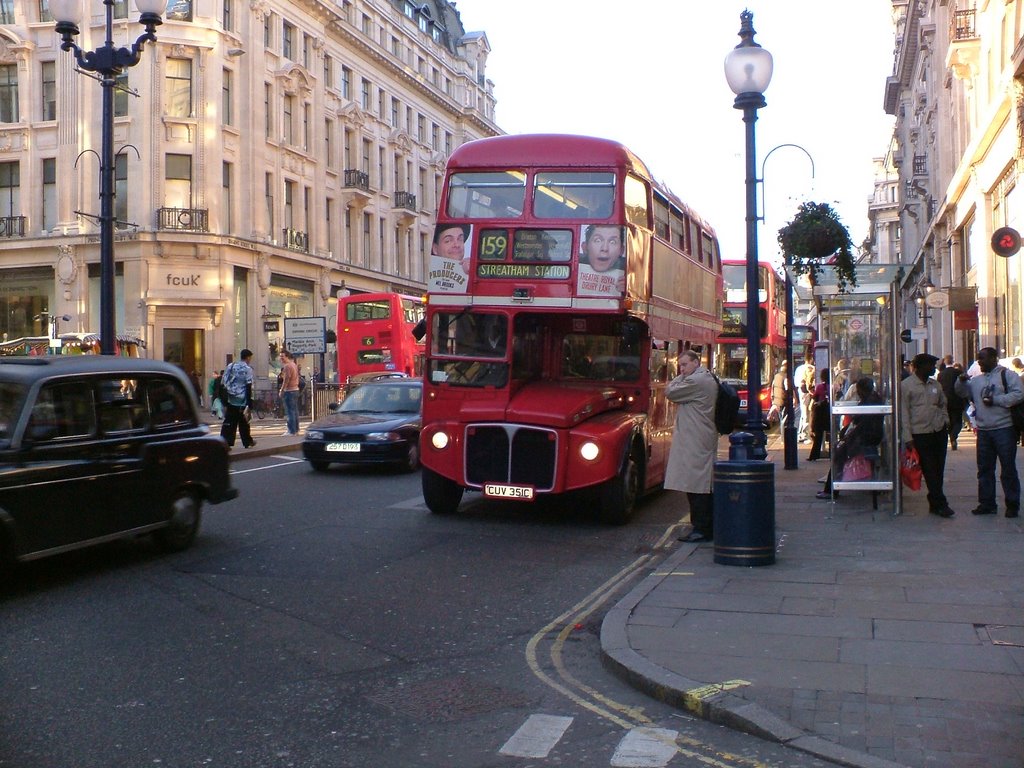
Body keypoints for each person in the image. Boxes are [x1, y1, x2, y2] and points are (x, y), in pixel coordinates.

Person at [955, 347, 1024, 517]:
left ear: (994, 358)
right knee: (984, 469)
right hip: (984, 430)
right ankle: (986, 503)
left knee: (1008, 468)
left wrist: (997, 400)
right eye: (978, 358)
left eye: (982, 358)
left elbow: (1019, 394)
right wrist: (961, 381)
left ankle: (1012, 504)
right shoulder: (976, 380)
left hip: (1004, 429)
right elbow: (962, 392)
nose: (979, 361)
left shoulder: (1008, 376)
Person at [665, 349, 719, 543]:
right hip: (697, 437)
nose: (682, 369)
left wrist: (679, 376)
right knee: (697, 484)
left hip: (696, 440)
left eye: (685, 364)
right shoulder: (703, 378)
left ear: (696, 362)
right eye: (680, 365)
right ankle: (704, 526)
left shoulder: (697, 381)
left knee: (697, 485)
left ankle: (702, 529)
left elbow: (669, 391)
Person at [900, 353, 953, 517]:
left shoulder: (935, 384)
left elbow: (943, 404)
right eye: (930, 365)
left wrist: (945, 421)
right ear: (920, 367)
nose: (933, 368)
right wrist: (907, 437)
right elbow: (904, 413)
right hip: (920, 434)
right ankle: (941, 503)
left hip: (938, 431)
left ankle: (934, 501)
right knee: (929, 469)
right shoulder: (906, 386)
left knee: (938, 469)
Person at [816, 377, 884, 499]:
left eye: (858, 390)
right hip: (873, 436)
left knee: (839, 455)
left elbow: (861, 423)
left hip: (865, 438)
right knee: (840, 450)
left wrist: (847, 436)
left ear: (862, 390)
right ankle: (831, 488)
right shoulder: (874, 398)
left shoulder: (867, 402)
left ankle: (831, 490)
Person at [220, 349, 256, 449]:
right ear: (248, 357)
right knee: (244, 422)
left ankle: (226, 441)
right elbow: (248, 385)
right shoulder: (248, 369)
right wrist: (250, 401)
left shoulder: (231, 366)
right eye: (250, 358)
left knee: (230, 421)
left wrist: (224, 399)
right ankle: (247, 441)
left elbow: (223, 381)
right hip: (242, 400)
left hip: (230, 398)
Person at [576, 224, 625, 296]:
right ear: (585, 247)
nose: (604, 248)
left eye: (612, 242)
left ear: (621, 250)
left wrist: (627, 291)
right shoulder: (575, 268)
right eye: (598, 240)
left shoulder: (628, 272)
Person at [428, 223, 472, 293]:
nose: (456, 245)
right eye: (448, 241)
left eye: (460, 239)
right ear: (435, 249)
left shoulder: (473, 272)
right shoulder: (426, 274)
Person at [936, 357, 965, 450]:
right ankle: (953, 436)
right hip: (957, 400)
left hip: (945, 400)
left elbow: (939, 388)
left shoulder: (940, 375)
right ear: (952, 361)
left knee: (948, 420)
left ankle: (951, 435)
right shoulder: (958, 372)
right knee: (957, 420)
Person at [807, 368, 831, 461]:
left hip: (820, 413)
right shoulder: (833, 386)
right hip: (829, 412)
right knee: (831, 435)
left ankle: (814, 456)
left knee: (818, 436)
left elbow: (815, 398)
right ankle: (832, 454)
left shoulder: (819, 387)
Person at [793, 354, 815, 443]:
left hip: (801, 391)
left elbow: (795, 382)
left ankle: (802, 433)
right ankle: (806, 433)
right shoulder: (812, 368)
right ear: (811, 359)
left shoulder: (799, 369)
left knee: (804, 412)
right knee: (809, 413)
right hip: (810, 391)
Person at [279, 349, 300, 436]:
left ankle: (291, 431)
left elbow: (286, 379)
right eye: (280, 357)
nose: (281, 358)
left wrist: (282, 390)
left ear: (287, 356)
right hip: (295, 389)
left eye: (282, 356)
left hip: (289, 390)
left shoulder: (287, 366)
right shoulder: (293, 364)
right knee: (294, 410)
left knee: (289, 411)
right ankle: (296, 429)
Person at [767, 361, 788, 427]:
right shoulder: (786, 376)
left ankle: (782, 433)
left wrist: (773, 399)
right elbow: (787, 388)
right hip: (783, 401)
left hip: (776, 400)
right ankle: (783, 434)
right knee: (784, 419)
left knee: (781, 418)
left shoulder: (776, 376)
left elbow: (773, 387)